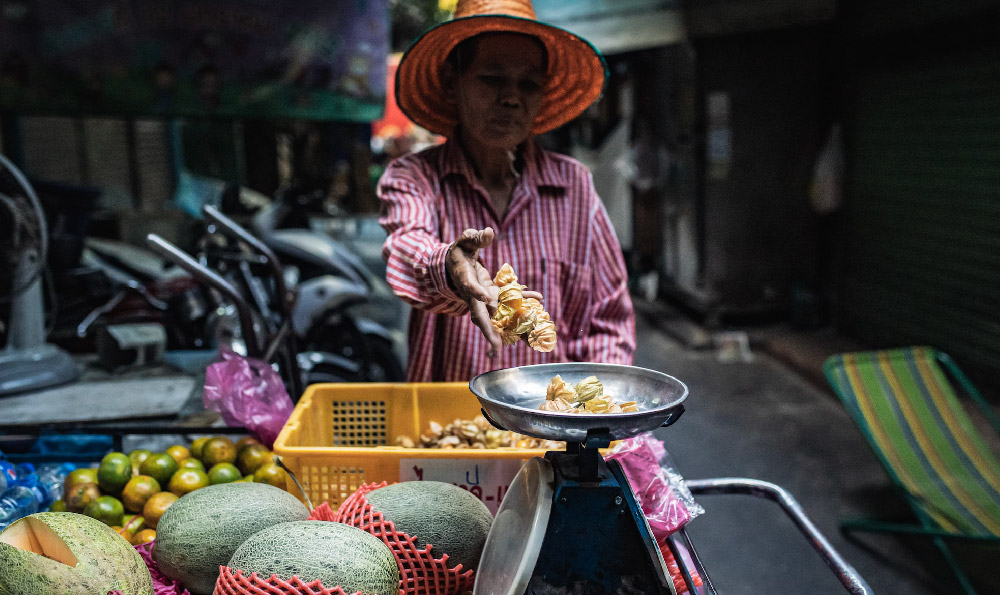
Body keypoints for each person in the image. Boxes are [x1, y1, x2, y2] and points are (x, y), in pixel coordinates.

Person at [379, 0, 635, 381]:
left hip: (550, 429)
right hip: (452, 425)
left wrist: (590, 417)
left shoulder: (574, 186)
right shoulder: (415, 177)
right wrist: (451, 266)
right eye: (492, 78)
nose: (512, 97)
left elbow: (607, 321)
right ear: (453, 82)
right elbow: (407, 246)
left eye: (529, 84)